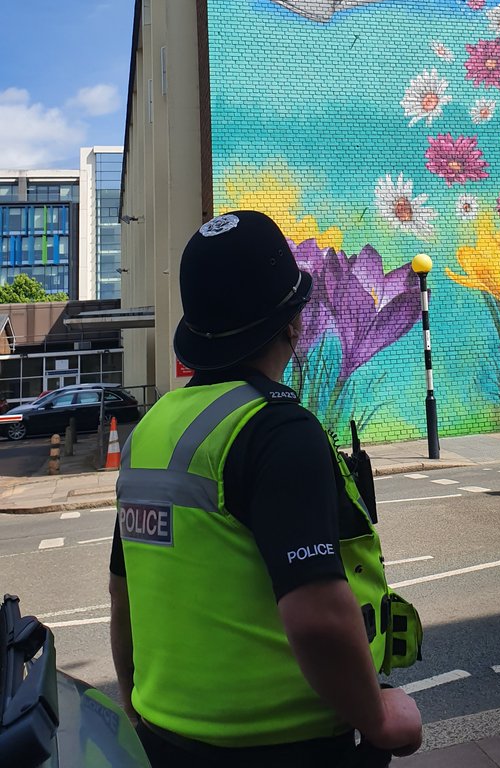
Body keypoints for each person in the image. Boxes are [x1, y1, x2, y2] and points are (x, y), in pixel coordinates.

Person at [108, 210, 423, 767]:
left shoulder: (150, 432)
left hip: (164, 742)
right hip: (286, 748)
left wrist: (138, 708)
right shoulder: (277, 430)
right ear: (293, 323)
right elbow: (317, 618)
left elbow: (123, 593)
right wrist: (377, 716)